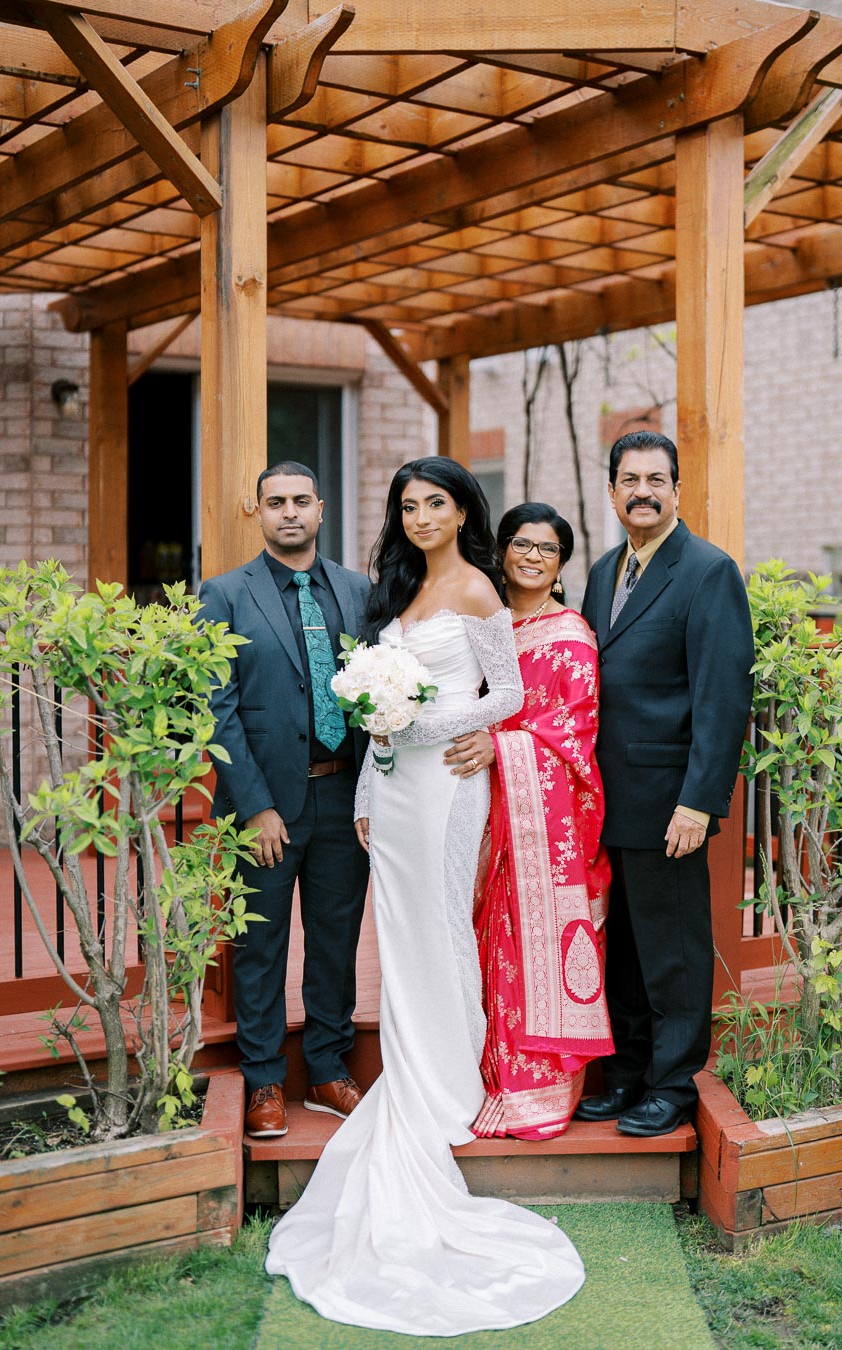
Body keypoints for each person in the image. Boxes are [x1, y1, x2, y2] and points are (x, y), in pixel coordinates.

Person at [266, 459, 585, 1336]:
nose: (419, 518)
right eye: (407, 506)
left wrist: (421, 720)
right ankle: (414, 1069)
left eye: (434, 503)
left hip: (448, 784)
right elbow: (375, 714)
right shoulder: (394, 589)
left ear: (461, 510)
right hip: (394, 789)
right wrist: (369, 787)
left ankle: (444, 1086)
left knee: (442, 928)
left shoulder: (481, 589)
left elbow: (506, 696)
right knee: (396, 933)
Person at [575, 430, 754, 1138]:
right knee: (618, 946)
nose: (642, 491)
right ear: (613, 489)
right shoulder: (600, 572)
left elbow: (722, 698)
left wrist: (698, 801)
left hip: (667, 802)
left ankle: (674, 1084)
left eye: (656, 479)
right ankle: (625, 1075)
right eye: (629, 479)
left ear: (677, 489)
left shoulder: (708, 572)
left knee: (672, 948)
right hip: (603, 802)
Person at [198, 461, 370, 1138]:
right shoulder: (225, 594)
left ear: (321, 509)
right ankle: (265, 1080)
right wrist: (256, 805)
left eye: (302, 501)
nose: (290, 512)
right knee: (261, 947)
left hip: (343, 796)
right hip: (265, 808)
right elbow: (217, 708)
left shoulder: (359, 593)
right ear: (258, 512)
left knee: (336, 943)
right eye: (277, 502)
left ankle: (328, 1069)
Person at [443, 503, 613, 1141]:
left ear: (562, 563)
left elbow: (574, 734)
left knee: (533, 941)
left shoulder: (571, 635)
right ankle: (478, 1076)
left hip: (546, 826)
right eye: (522, 544)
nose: (533, 556)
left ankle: (538, 1090)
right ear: (503, 551)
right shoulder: (480, 623)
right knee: (475, 940)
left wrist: (503, 749)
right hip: (475, 809)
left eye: (547, 548)